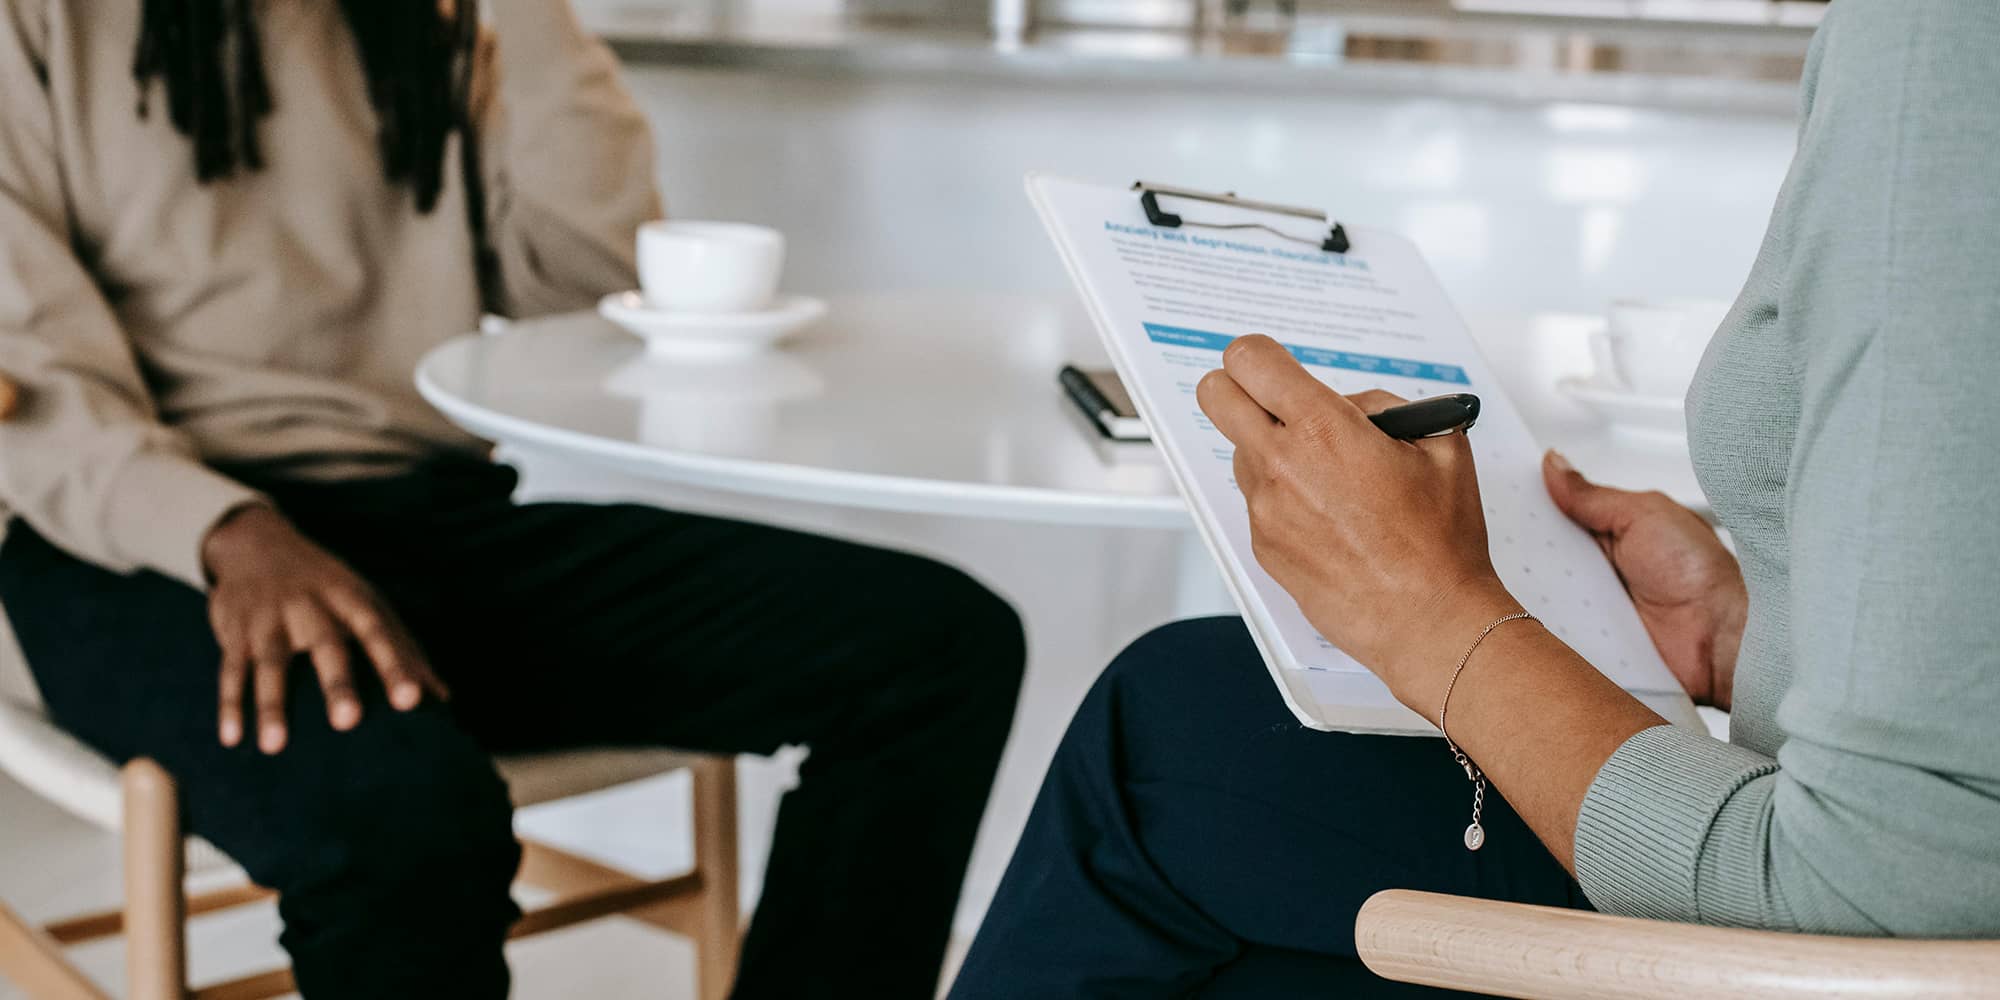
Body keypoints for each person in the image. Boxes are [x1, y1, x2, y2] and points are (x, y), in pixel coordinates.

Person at [949, 1, 2000, 996]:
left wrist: (1432, 617)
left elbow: (1874, 899)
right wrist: (1750, 635)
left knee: (1171, 727)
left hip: (1816, 953)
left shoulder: (1938, 48)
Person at [0, 2, 1024, 997]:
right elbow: (25, 373)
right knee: (404, 821)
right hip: (138, 544)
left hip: (427, 515)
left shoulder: (430, 25)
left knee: (934, 649)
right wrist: (225, 530)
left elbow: (592, 284)